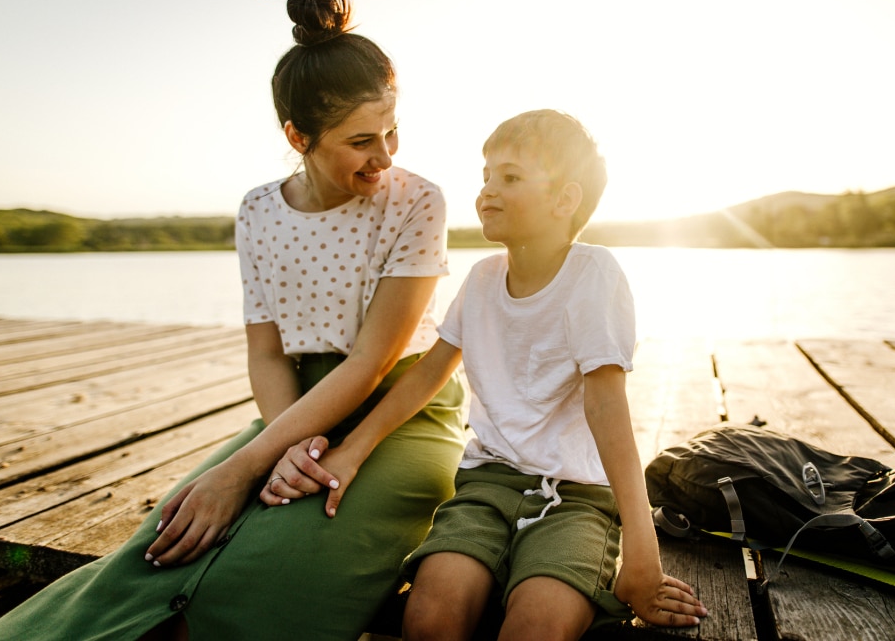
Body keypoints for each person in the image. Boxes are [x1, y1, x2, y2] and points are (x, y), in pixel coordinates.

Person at [0, 0, 466, 641]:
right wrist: (280, 445)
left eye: (391, 131)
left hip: (402, 417)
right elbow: (266, 352)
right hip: (293, 408)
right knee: (164, 544)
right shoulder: (259, 211)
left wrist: (247, 467)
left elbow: (372, 364)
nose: (384, 155)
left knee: (280, 563)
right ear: (299, 137)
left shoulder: (418, 202)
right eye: (360, 140)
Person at [277, 110, 707, 639]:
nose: (486, 191)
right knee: (430, 619)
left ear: (564, 200)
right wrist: (354, 448)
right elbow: (426, 375)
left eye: (509, 177)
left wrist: (642, 552)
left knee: (535, 626)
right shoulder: (481, 280)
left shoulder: (594, 276)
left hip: (575, 499)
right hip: (486, 484)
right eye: (485, 176)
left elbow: (607, 408)